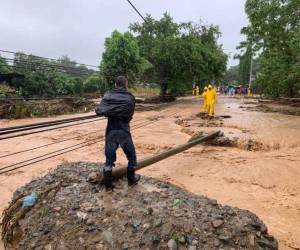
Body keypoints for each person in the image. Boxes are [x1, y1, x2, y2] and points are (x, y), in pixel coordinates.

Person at [95, 76, 140, 191]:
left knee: (109, 160)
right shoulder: (130, 98)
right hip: (124, 131)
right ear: (126, 84)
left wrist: (111, 112)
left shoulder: (108, 95)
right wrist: (119, 113)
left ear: (115, 84)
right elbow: (129, 116)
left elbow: (99, 110)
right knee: (132, 158)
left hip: (111, 132)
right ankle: (131, 180)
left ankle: (108, 187)